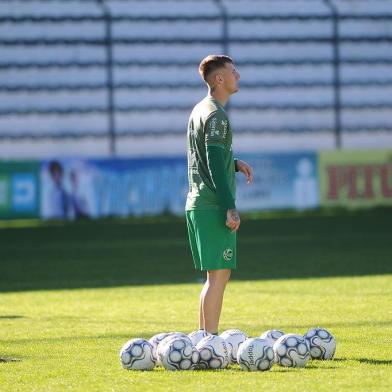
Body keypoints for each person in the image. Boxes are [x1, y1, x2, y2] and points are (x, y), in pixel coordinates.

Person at [185, 55, 254, 335]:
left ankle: (204, 340)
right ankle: (210, 341)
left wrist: (234, 162)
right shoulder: (216, 115)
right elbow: (212, 160)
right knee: (219, 277)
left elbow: (207, 154)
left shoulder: (200, 109)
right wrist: (230, 206)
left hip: (197, 201)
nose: (238, 75)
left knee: (213, 277)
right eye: (233, 71)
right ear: (219, 79)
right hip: (212, 204)